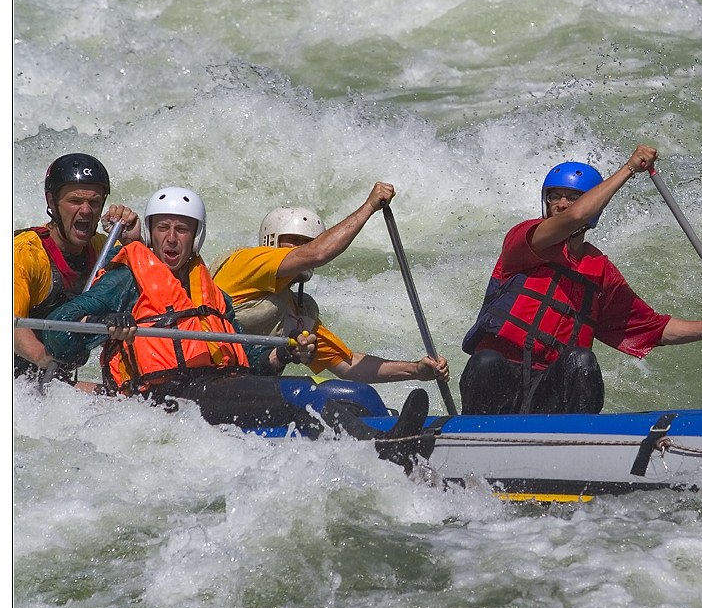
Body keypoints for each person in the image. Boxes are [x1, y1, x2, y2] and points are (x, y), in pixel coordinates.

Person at [41, 186, 430, 467]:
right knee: (299, 391)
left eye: (182, 229)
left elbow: (242, 354)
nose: (171, 239)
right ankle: (382, 449)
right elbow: (58, 331)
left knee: (315, 403)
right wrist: (107, 323)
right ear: (151, 232)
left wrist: (281, 353)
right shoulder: (126, 279)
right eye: (162, 228)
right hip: (161, 398)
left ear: (197, 236)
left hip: (211, 387)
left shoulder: (209, 290)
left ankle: (373, 442)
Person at [459, 144, 702, 414]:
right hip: (498, 384)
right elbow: (576, 216)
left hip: (551, 391)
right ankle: (472, 441)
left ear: (593, 206)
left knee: (582, 360)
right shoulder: (525, 240)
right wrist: (629, 168)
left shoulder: (598, 270)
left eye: (573, 197)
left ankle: (577, 444)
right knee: (486, 361)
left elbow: (657, 329)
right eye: (555, 196)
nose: (562, 204)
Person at [210, 183, 450, 395]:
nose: (304, 249)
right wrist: (368, 207)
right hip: (210, 380)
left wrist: (416, 370)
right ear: (270, 241)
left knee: (352, 397)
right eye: (294, 241)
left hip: (249, 386)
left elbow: (349, 365)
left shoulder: (296, 313)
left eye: (310, 241)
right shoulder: (246, 262)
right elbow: (319, 253)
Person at [14, 153, 141, 387]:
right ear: (52, 202)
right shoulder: (25, 252)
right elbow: (12, 324)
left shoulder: (101, 249)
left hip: (51, 379)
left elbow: (150, 285)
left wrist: (133, 242)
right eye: (75, 201)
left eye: (94, 202)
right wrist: (44, 358)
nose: (85, 211)